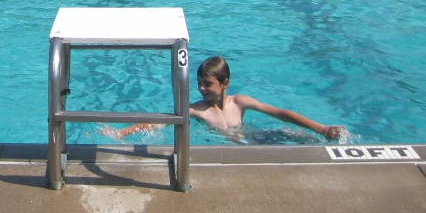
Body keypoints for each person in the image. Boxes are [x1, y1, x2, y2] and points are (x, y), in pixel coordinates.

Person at [106, 56, 343, 142]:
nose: (201, 89)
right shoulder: (197, 110)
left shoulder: (240, 102)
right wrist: (124, 132)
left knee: (296, 137)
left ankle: (327, 135)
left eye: (207, 84)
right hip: (239, 145)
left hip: (256, 137)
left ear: (225, 84)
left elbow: (280, 113)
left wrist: (320, 128)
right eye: (199, 83)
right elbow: (161, 121)